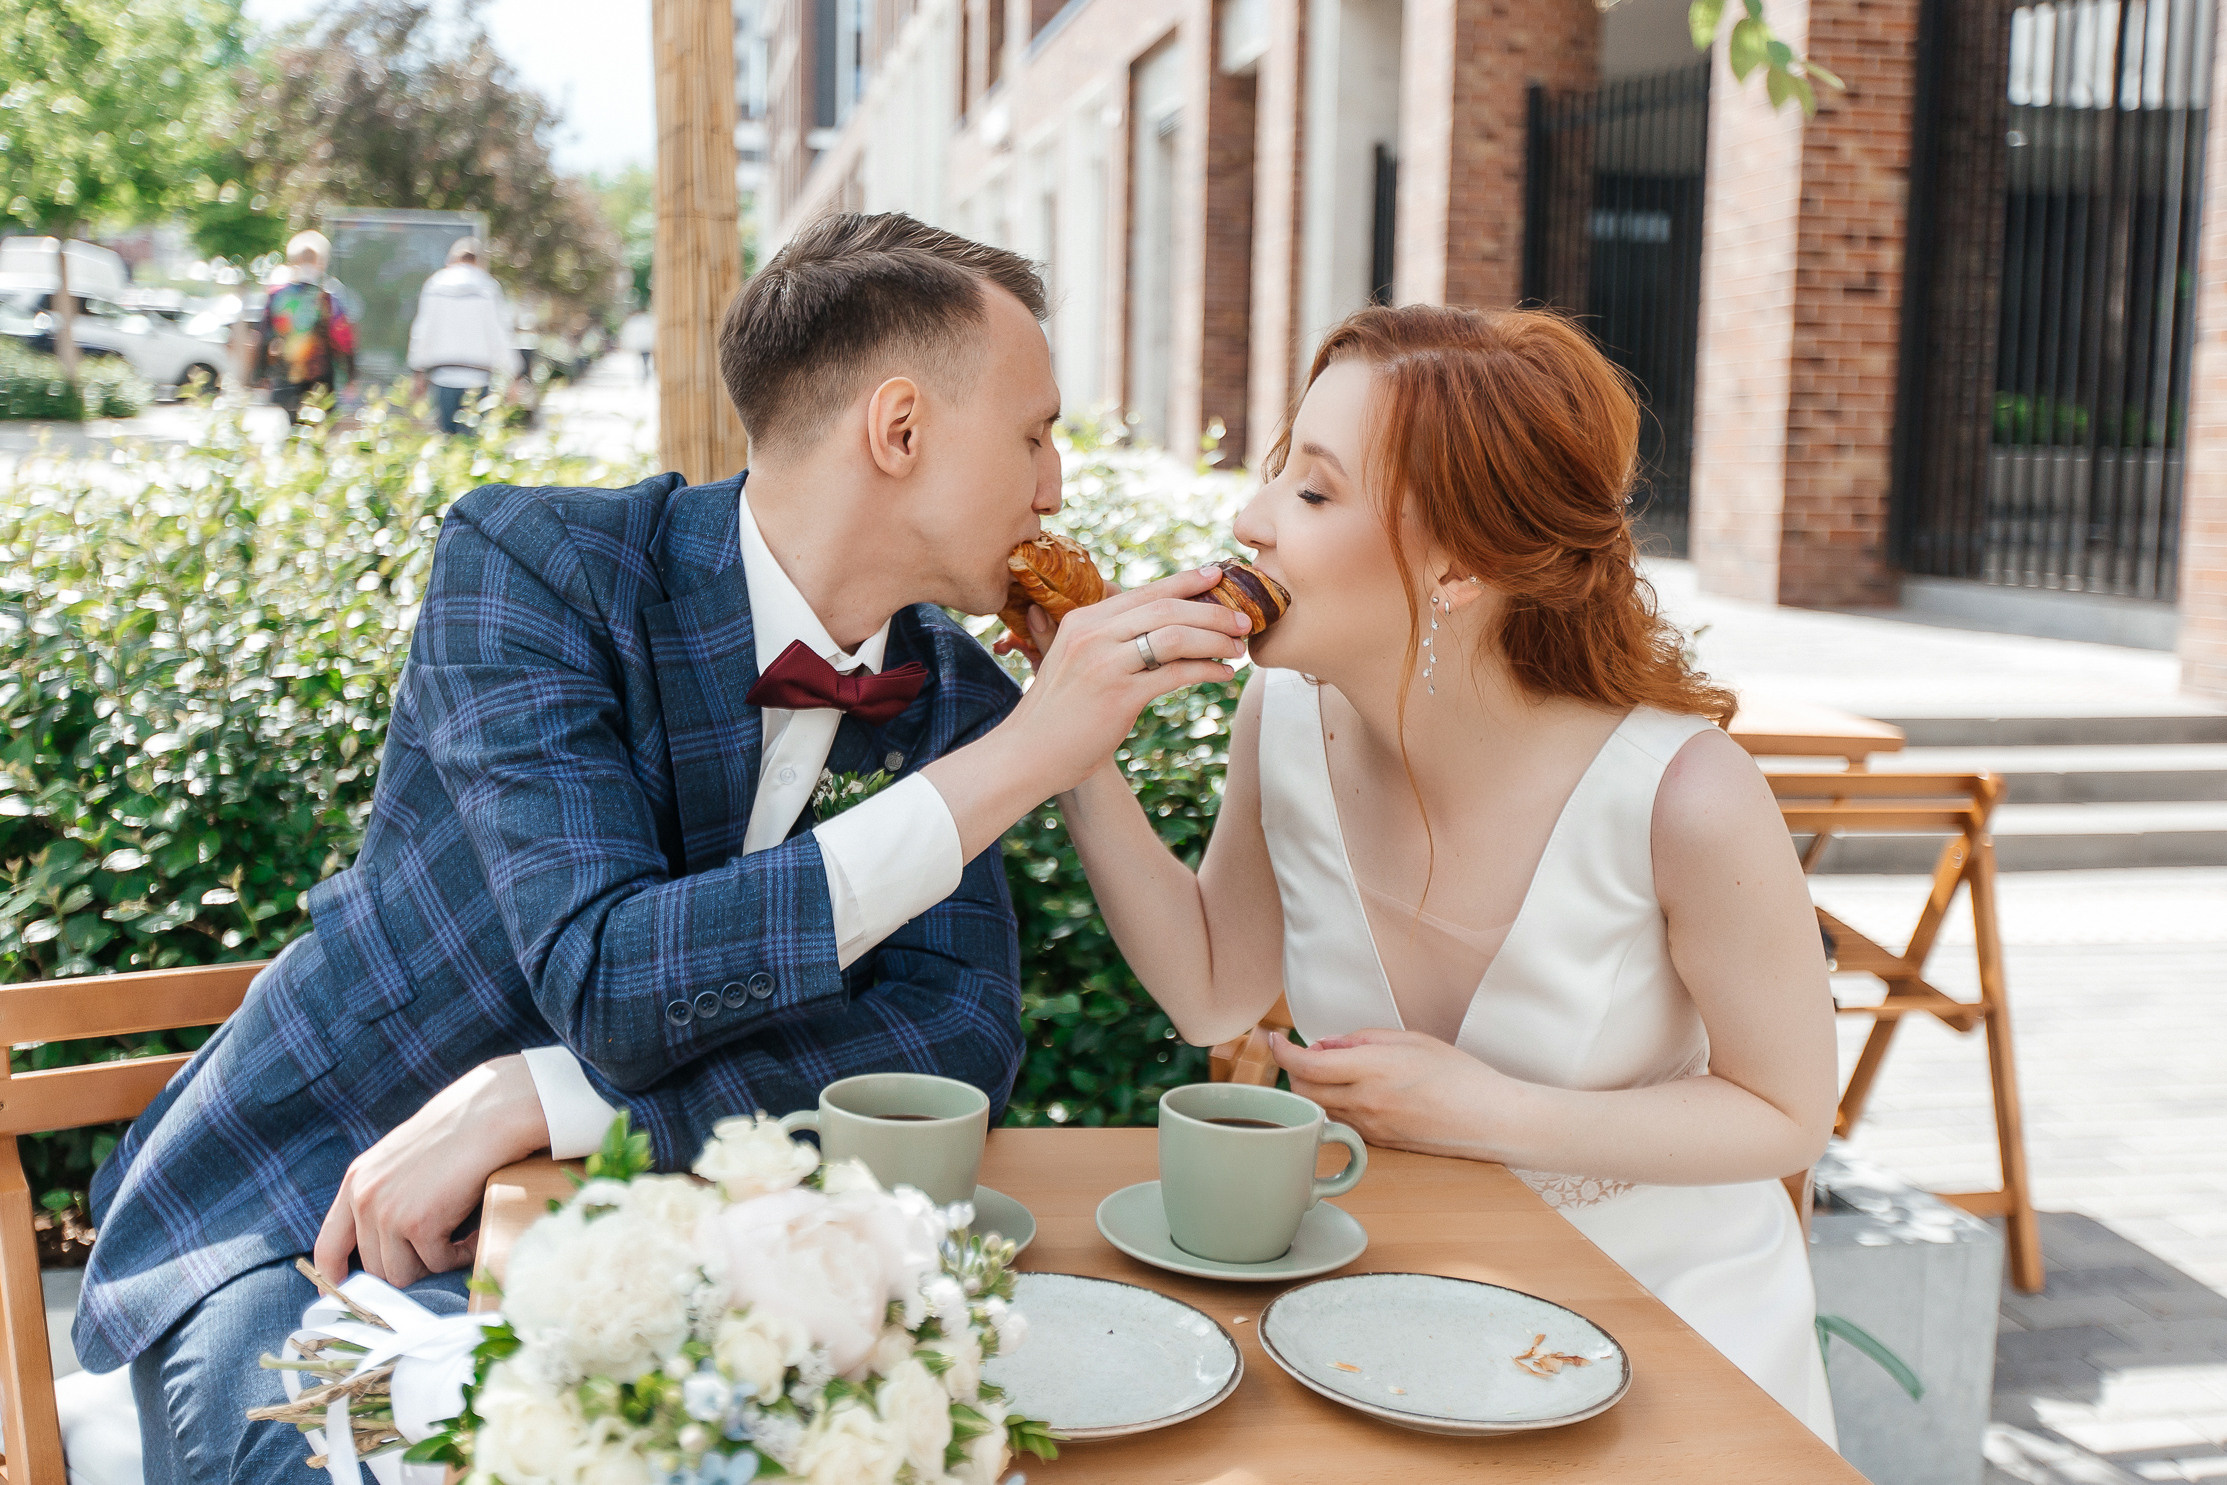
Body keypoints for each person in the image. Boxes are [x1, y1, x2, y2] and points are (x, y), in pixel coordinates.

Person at [74, 213, 1255, 1484]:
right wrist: (1031, 757)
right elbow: (607, 975)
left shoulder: (957, 696)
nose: (1055, 486)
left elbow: (946, 1045)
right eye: (1034, 433)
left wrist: (553, 1100)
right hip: (314, 1210)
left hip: (674, 1257)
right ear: (899, 429)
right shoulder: (536, 564)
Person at [1041, 305, 1841, 1444]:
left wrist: (1499, 1115)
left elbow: (1786, 1115)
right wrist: (1071, 742)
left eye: (1313, 493)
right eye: (1278, 473)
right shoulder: (1281, 717)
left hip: (1673, 1338)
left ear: (1459, 563)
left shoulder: (1687, 797)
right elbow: (1212, 988)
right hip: (1392, 1331)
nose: (1249, 519)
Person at [406, 237, 514, 434]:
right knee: (473, 442)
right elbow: (500, 334)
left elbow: (422, 329)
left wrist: (418, 371)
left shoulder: (436, 284)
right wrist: (512, 374)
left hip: (443, 376)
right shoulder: (488, 286)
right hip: (479, 377)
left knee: (446, 440)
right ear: (478, 262)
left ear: (452, 259)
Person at [255, 231, 356, 427]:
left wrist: (261, 374)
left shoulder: (277, 295)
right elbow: (343, 339)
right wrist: (351, 374)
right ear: (322, 261)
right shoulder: (329, 296)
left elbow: (265, 335)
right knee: (320, 432)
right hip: (322, 376)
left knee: (293, 431)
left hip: (286, 374)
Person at [621, 305, 656, 381]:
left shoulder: (635, 321)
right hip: (646, 344)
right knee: (644, 359)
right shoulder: (647, 320)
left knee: (642, 359)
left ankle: (644, 372)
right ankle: (645, 371)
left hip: (641, 344)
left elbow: (629, 334)